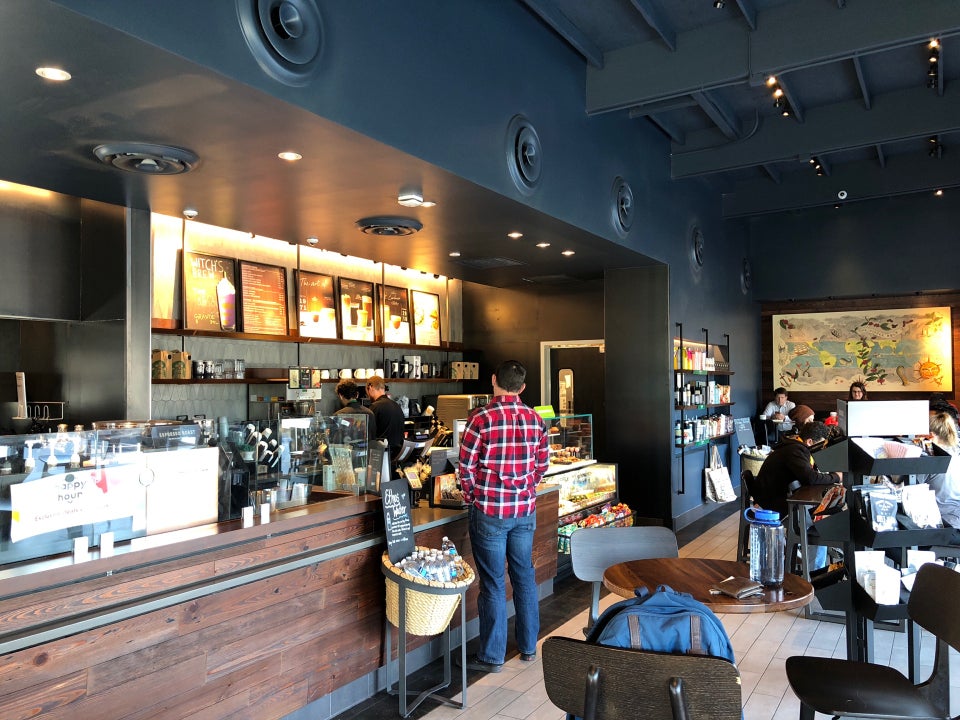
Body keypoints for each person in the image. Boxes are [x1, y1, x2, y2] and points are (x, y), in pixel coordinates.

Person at [457, 360, 549, 672]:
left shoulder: (480, 418)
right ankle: (528, 648)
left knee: (494, 583)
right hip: (524, 510)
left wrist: (473, 496)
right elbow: (542, 465)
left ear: (494, 380)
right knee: (524, 577)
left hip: (490, 511)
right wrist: (526, 487)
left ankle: (492, 655)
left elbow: (466, 467)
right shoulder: (535, 419)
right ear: (522, 387)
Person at [752, 421, 841, 570]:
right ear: (810, 441)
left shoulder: (793, 446)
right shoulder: (795, 451)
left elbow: (809, 476)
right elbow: (810, 478)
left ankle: (811, 559)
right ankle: (815, 571)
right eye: (821, 444)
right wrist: (836, 477)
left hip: (776, 499)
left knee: (820, 514)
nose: (822, 448)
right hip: (774, 506)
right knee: (821, 524)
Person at [918, 411, 960, 534]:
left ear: (930, 436)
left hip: (942, 524)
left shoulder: (932, 461)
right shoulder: (956, 456)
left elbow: (909, 488)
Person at [365, 375, 406, 466]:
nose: (368, 396)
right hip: (397, 455)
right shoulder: (396, 405)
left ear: (370, 387)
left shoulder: (375, 406)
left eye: (367, 392)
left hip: (382, 456)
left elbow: (368, 433)